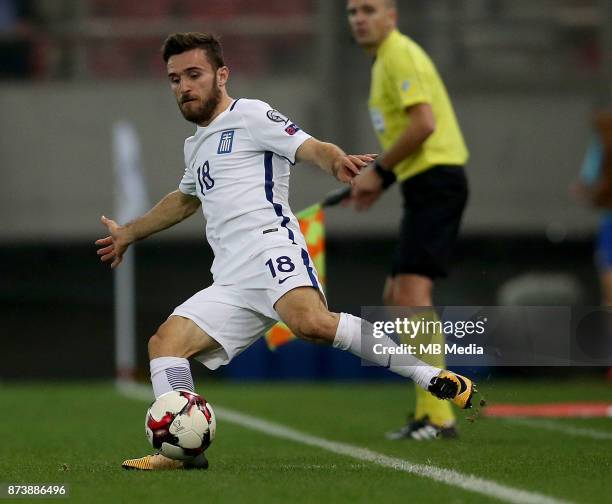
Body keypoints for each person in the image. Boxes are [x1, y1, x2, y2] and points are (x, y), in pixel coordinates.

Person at [95, 32, 475, 470]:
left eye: (193, 74)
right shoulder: (195, 144)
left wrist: (336, 162)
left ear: (221, 75)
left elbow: (310, 146)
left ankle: (432, 376)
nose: (183, 86)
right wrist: (128, 233)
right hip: (231, 279)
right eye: (174, 78)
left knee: (311, 324)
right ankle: (182, 452)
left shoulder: (251, 114)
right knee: (165, 343)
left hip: (271, 248)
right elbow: (185, 199)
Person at [347, 0, 470, 440]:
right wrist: (379, 182)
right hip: (424, 185)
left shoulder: (399, 53)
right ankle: (429, 413)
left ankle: (440, 415)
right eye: (352, 11)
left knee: (411, 295)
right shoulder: (384, 62)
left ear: (391, 16)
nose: (359, 18)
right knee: (397, 297)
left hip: (437, 181)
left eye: (368, 9)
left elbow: (424, 124)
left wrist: (379, 172)